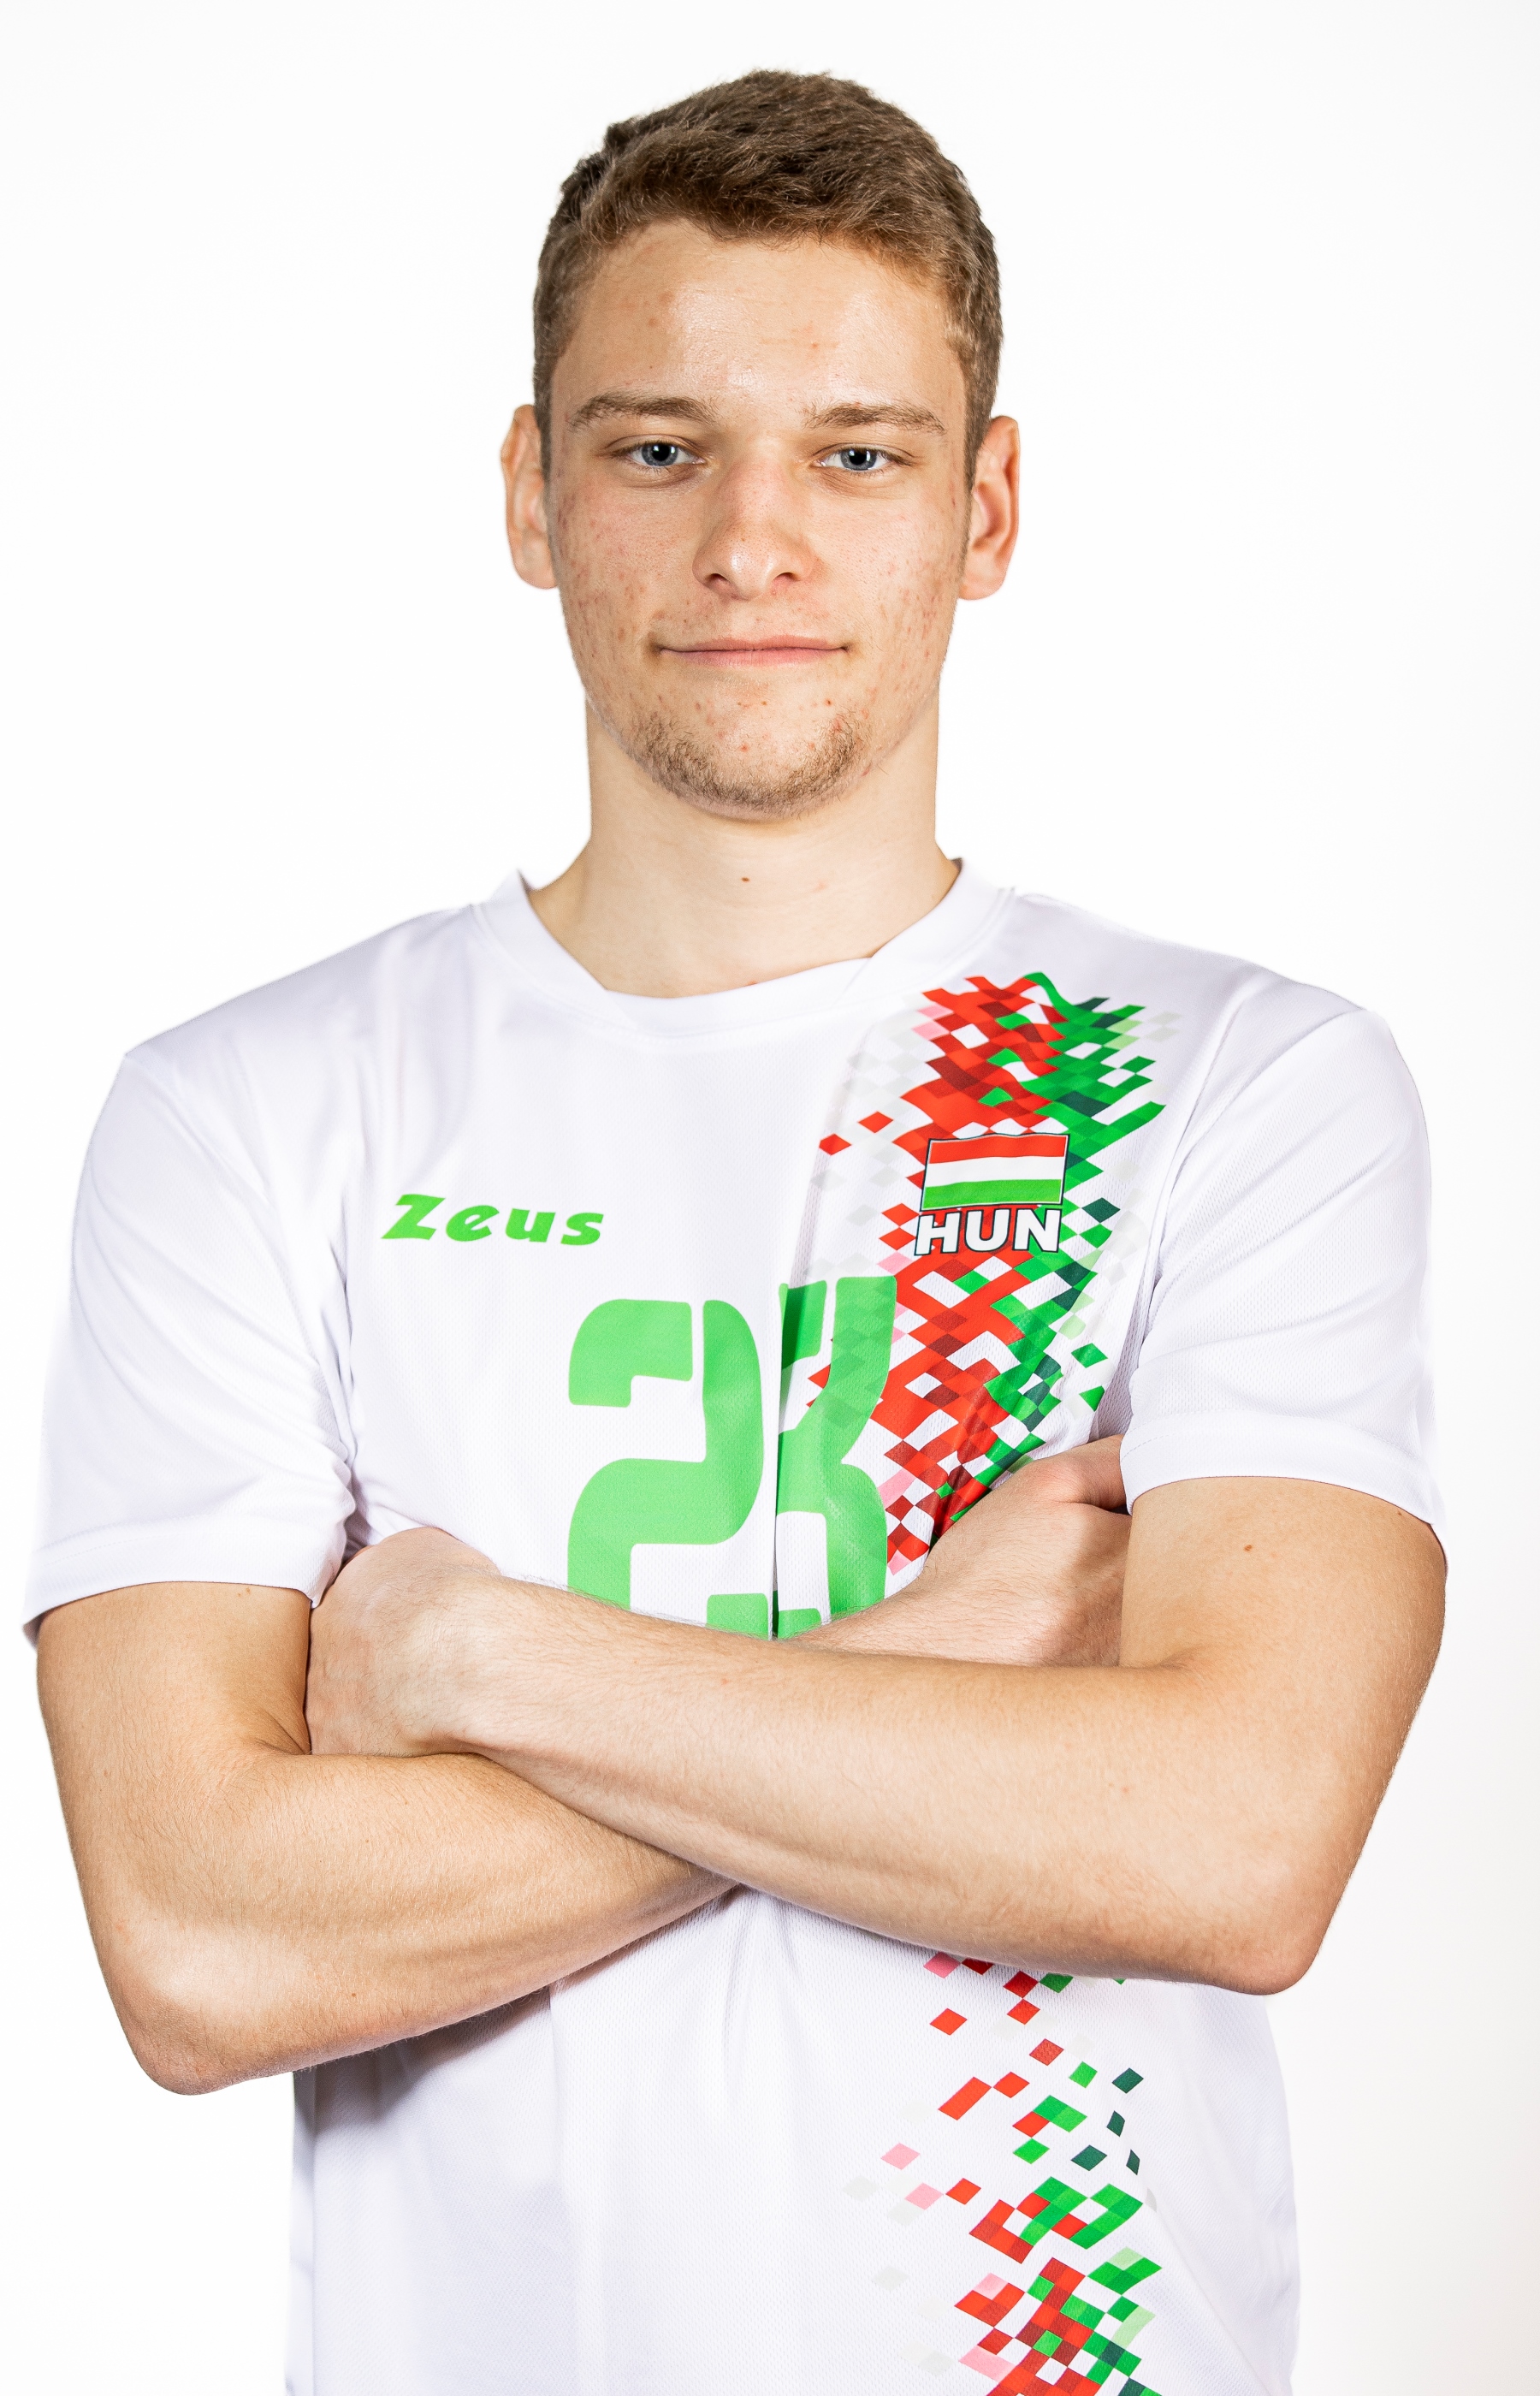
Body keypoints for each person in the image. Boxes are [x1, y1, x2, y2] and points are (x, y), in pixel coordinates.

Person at [30, 68, 1442, 2396]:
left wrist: (479, 1659)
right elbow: (197, 1942)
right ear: (531, 491)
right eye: (661, 446)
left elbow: (1234, 1846)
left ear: (987, 508)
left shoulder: (1235, 1083)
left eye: (859, 453)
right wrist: (937, 1662)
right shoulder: (253, 1112)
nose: (753, 542)